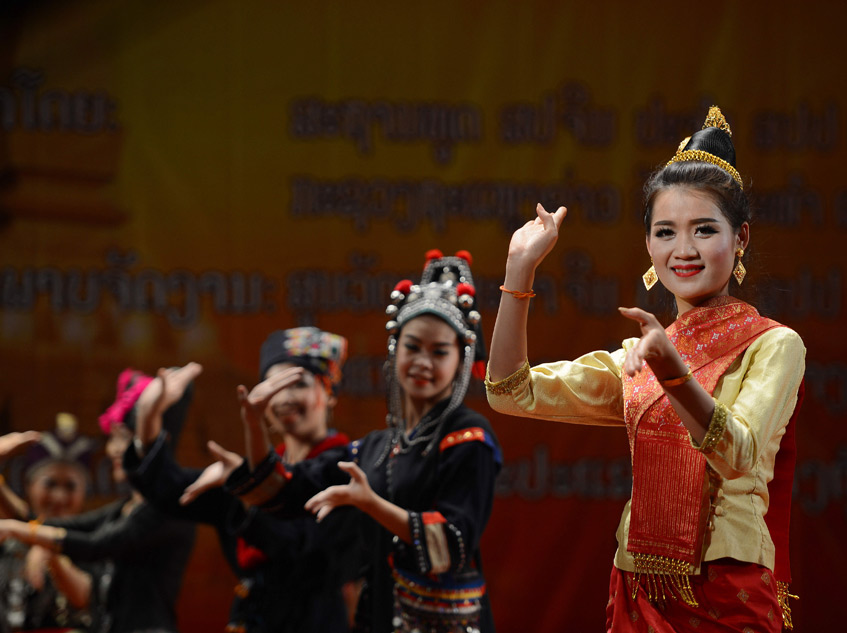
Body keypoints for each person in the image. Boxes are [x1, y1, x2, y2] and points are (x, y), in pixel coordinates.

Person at [485, 107, 805, 633]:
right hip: (638, 590)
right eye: (665, 232)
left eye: (704, 230)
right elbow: (509, 391)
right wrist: (520, 270)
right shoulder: (641, 358)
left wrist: (672, 371)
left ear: (741, 237)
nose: (683, 250)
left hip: (728, 589)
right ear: (648, 244)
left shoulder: (773, 345)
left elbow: (738, 454)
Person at [187, 250, 503, 633]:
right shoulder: (375, 448)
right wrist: (254, 428)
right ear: (395, 349)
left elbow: (452, 544)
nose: (423, 361)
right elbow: (285, 493)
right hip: (380, 616)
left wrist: (372, 504)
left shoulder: (469, 436)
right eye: (413, 347)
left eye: (440, 352)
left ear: (461, 362)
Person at [126, 328, 358, 633]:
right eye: (274, 386)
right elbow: (169, 489)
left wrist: (249, 493)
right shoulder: (247, 474)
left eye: (298, 384)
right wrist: (147, 414)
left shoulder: (346, 468)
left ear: (329, 393)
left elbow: (306, 554)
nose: (285, 397)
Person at [0, 371, 197, 633]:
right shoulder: (125, 508)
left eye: (124, 438)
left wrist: (24, 533)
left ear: (156, 440)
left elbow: (95, 544)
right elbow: (54, 525)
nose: (113, 450)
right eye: (113, 439)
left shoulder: (167, 506)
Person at [0, 417, 95, 632]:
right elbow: (21, 517)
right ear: (29, 485)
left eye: (70, 486)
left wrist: (49, 549)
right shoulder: (12, 531)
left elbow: (85, 599)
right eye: (50, 484)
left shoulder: (95, 541)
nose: (59, 497)